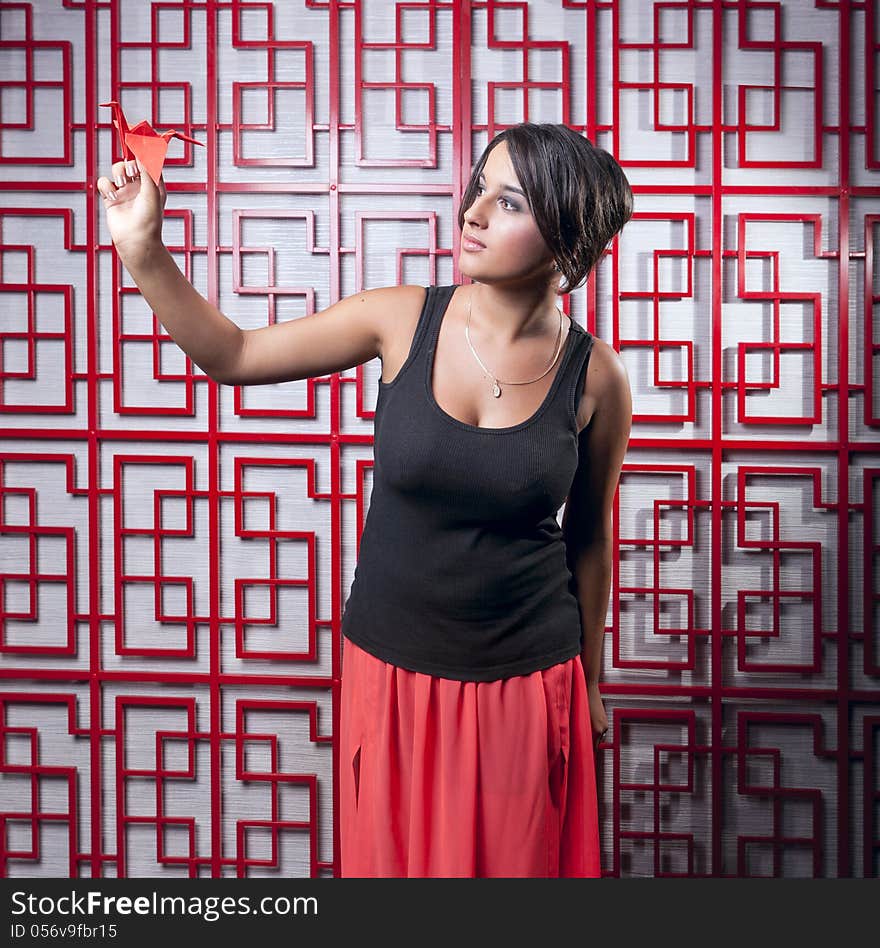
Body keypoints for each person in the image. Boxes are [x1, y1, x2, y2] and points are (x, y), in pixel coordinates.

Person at [97, 121, 633, 878]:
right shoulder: (401, 317)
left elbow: (589, 539)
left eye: (508, 202)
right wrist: (143, 250)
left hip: (527, 680)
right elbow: (236, 355)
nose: (473, 213)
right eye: (479, 186)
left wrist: (591, 681)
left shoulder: (599, 378)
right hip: (394, 672)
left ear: (569, 243)